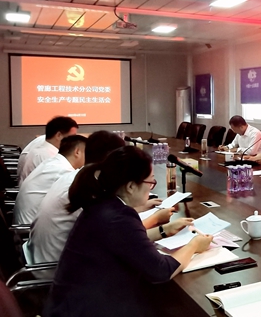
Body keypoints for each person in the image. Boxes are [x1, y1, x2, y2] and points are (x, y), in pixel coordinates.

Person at [43, 146, 212, 317]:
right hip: (87, 309)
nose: (151, 188)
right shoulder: (118, 217)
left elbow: (127, 241)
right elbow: (161, 271)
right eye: (150, 182)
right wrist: (194, 245)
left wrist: (163, 230)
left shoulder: (104, 203)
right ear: (131, 186)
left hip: (75, 303)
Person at [28, 131, 175, 264]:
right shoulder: (89, 189)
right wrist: (156, 219)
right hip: (55, 267)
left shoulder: (79, 178)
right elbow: (122, 234)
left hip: (47, 257)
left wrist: (139, 208)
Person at [13, 135, 87, 225]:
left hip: (28, 221)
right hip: (28, 226)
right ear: (77, 152)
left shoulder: (52, 162)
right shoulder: (63, 171)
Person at [19, 116, 79, 185]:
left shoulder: (41, 151)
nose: (74, 140)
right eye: (72, 137)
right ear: (59, 135)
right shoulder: (47, 156)